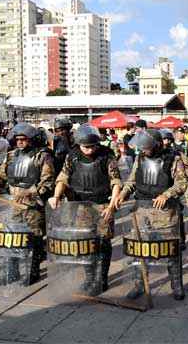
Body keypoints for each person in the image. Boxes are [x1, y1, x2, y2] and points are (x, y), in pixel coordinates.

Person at [110, 129, 188, 300]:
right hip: (142, 210)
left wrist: (166, 194)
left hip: (165, 211)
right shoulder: (140, 159)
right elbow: (131, 181)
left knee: (170, 250)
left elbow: (182, 183)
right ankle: (140, 285)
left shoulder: (173, 159)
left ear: (157, 145)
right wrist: (122, 194)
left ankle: (177, 285)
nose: (143, 151)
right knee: (139, 250)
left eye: (146, 148)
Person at [48, 124, 121, 295]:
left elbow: (116, 181)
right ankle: (89, 278)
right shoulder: (72, 156)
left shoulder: (106, 156)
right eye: (85, 147)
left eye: (92, 146)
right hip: (80, 205)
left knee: (103, 243)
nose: (89, 150)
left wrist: (111, 207)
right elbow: (63, 178)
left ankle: (102, 279)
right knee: (85, 243)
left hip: (102, 203)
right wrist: (56, 196)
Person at [0, 123, 55, 286]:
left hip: (33, 205)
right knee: (13, 236)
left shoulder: (43, 156)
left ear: (31, 140)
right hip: (14, 203)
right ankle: (12, 271)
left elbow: (48, 181)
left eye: (23, 139)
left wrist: (31, 192)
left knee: (35, 237)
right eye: (17, 139)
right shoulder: (11, 155)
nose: (20, 142)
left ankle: (33, 272)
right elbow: (0, 174)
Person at [173, 127, 188, 220]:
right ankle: (177, 211)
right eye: (181, 133)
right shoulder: (171, 144)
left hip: (185, 172)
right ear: (175, 134)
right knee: (175, 193)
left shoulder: (187, 144)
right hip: (174, 173)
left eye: (183, 133)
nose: (183, 135)